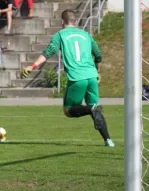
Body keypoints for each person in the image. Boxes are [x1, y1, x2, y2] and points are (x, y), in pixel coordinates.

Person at [21, 10, 114, 147]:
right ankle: (108, 140)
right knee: (94, 107)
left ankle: (92, 109)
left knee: (69, 111)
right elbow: (98, 54)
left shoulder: (60, 35)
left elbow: (49, 51)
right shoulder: (86, 35)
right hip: (92, 76)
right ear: (75, 22)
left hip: (77, 78)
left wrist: (32, 66)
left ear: (62, 22)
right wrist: (97, 69)